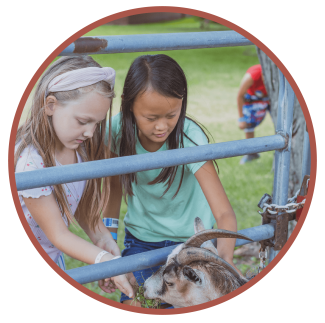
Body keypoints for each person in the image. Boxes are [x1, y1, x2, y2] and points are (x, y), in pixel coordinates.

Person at [102, 54, 241, 307]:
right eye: (151, 118)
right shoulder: (117, 131)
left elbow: (224, 214)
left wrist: (225, 262)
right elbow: (112, 195)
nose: (162, 127)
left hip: (189, 247)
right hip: (141, 241)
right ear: (128, 105)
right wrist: (110, 254)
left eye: (171, 114)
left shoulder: (191, 139)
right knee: (136, 303)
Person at [15, 55, 135, 298]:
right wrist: (102, 260)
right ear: (50, 105)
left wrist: (102, 240)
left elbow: (75, 201)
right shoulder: (31, 164)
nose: (91, 132)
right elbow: (58, 234)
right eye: (83, 121)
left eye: (97, 123)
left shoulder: (78, 149)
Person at [237, 64, 270, 164]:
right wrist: (241, 119)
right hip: (252, 99)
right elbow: (239, 96)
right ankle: (251, 153)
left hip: (269, 98)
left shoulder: (276, 77)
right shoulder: (253, 75)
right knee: (249, 123)